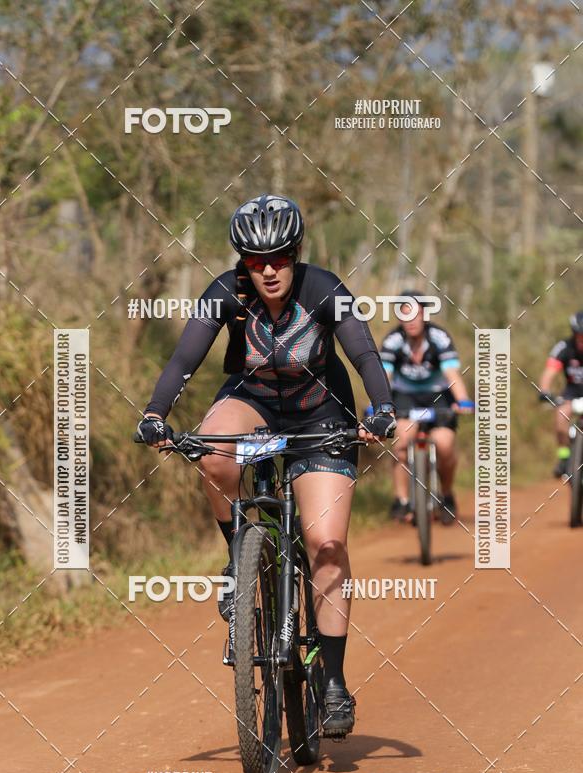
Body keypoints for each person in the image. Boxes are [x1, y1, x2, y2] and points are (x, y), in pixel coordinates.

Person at [137, 194, 396, 738]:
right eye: (256, 261)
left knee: (327, 546)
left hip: (321, 414)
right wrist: (156, 415)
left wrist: (383, 408)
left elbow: (365, 356)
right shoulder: (224, 295)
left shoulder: (325, 290)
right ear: (242, 262)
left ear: (297, 253)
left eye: (279, 256)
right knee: (211, 450)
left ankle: (332, 681)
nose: (269, 269)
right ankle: (239, 560)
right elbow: (185, 360)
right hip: (252, 402)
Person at [379, 292, 473, 525]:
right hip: (405, 396)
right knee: (402, 440)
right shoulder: (393, 341)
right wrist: (379, 405)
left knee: (444, 444)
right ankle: (402, 500)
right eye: (404, 314)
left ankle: (447, 494)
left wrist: (463, 401)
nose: (410, 320)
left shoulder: (439, 337)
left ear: (425, 315)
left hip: (438, 395)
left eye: (416, 314)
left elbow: (452, 374)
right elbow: (384, 378)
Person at [539, 311, 583, 477]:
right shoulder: (564, 347)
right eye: (579, 336)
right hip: (571, 393)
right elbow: (549, 373)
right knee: (561, 416)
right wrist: (544, 390)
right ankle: (564, 458)